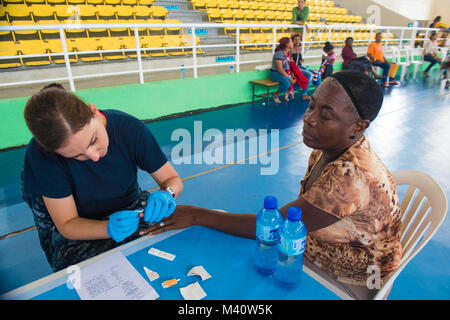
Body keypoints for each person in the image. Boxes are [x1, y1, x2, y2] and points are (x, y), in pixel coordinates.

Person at [141, 71, 403, 300]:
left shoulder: (351, 177)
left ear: (358, 126)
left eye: (326, 116)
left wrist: (198, 215)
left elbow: (277, 226)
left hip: (355, 281)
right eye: (311, 106)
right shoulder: (325, 148)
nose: (309, 119)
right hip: (320, 252)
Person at [21, 83, 183, 271]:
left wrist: (167, 193)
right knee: (72, 266)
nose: (94, 157)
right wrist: (107, 229)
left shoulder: (129, 128)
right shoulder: (41, 156)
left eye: (93, 140)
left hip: (126, 206)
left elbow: (172, 180)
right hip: (77, 222)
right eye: (77, 156)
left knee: (168, 229)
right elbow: (67, 224)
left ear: (94, 111)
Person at [270, 37, 300, 104]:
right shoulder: (279, 54)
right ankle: (275, 94)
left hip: (286, 72)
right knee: (287, 83)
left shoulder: (288, 52)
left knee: (299, 79)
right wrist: (289, 78)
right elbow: (280, 69)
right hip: (276, 73)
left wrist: (293, 74)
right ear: (286, 44)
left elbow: (291, 63)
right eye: (291, 42)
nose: (292, 43)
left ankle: (287, 92)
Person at [291, 33, 313, 100]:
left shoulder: (299, 48)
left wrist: (301, 59)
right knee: (310, 75)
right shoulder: (290, 49)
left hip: (300, 66)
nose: (298, 41)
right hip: (295, 69)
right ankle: (304, 94)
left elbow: (298, 57)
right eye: (296, 40)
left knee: (316, 73)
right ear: (292, 41)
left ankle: (319, 94)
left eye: (299, 40)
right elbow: (291, 62)